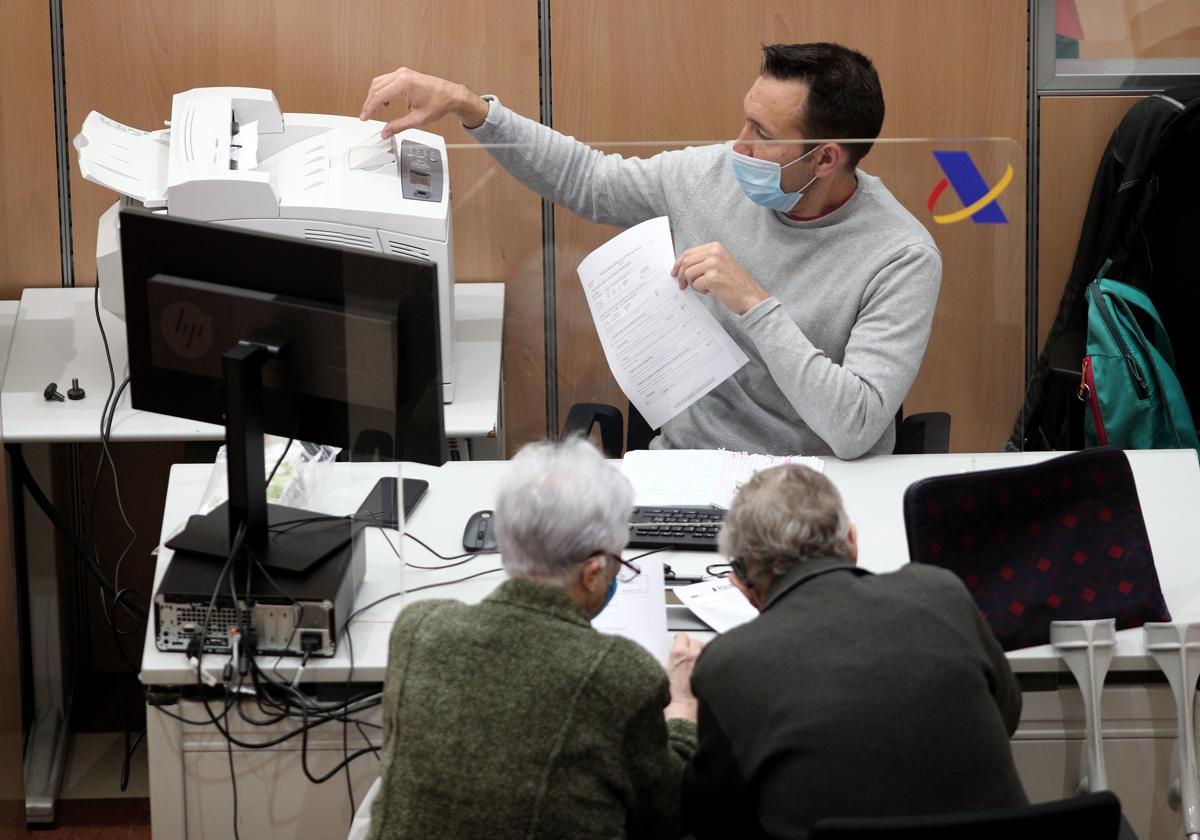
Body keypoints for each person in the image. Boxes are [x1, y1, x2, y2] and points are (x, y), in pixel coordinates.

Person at [360, 43, 942, 459]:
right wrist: (472, 108)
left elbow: (856, 427)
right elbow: (589, 179)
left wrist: (756, 305)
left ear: (826, 158)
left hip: (815, 486)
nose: (737, 144)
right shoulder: (714, 174)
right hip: (688, 468)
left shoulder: (901, 256)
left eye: (764, 135)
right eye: (745, 119)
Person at [367, 437, 703, 840]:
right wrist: (682, 705)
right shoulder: (621, 674)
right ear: (592, 573)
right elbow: (669, 813)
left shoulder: (417, 628)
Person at [682, 464, 1026, 839]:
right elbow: (1006, 713)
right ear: (851, 541)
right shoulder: (942, 592)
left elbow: (710, 818)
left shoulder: (728, 664)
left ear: (741, 583)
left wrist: (680, 713)